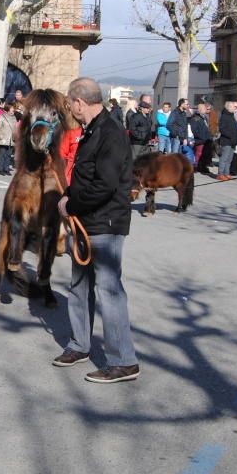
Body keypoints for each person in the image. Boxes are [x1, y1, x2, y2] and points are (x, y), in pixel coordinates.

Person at [54, 77, 138, 384]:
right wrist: (69, 196)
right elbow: (86, 177)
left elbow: (104, 185)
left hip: (106, 222)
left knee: (109, 290)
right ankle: (80, 344)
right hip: (87, 221)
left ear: (79, 102)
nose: (70, 109)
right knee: (79, 284)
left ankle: (124, 361)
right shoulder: (91, 131)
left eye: (70, 104)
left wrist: (71, 205)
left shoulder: (110, 132)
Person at [216, 101, 237, 181]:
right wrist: (230, 135)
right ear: (228, 107)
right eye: (234, 107)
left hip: (233, 141)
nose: (235, 108)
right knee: (224, 158)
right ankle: (220, 174)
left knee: (229, 159)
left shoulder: (232, 116)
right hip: (226, 141)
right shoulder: (224, 116)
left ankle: (226, 173)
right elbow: (222, 129)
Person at [189, 103, 212, 173]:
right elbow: (194, 129)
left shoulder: (204, 117)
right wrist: (200, 137)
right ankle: (196, 167)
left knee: (205, 154)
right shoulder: (195, 117)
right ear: (201, 109)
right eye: (205, 108)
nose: (206, 110)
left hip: (206, 139)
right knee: (199, 153)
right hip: (200, 139)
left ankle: (203, 167)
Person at [0, 100, 16, 175]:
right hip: (4, 139)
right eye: (12, 108)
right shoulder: (2, 116)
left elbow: (15, 128)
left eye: (14, 108)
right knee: (2, 154)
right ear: (8, 108)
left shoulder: (14, 117)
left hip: (12, 139)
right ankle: (0, 169)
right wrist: (1, 137)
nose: (13, 109)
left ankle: (6, 169)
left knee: (9, 155)